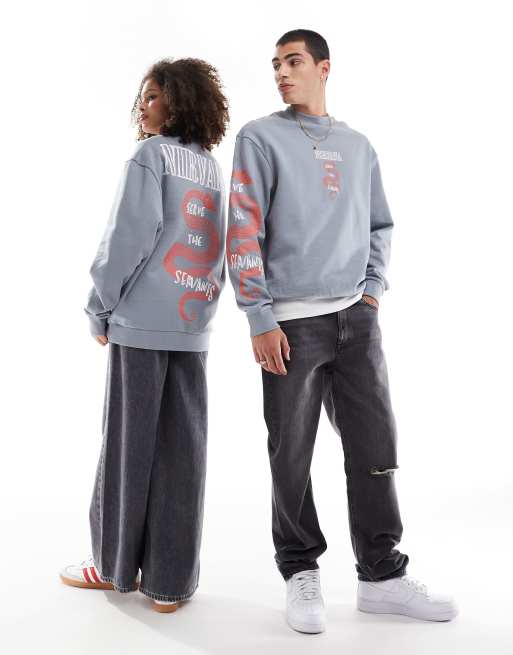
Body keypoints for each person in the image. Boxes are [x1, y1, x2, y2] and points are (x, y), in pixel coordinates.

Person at [226, 29, 457, 632]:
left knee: (375, 447)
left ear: (324, 68)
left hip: (357, 317)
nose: (281, 72)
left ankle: (381, 575)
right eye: (275, 64)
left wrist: (372, 291)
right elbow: (242, 228)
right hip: (290, 323)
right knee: (291, 454)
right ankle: (300, 570)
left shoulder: (357, 146)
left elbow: (380, 224)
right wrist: (259, 316)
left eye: (293, 61)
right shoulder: (259, 137)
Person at [60, 57, 229, 612]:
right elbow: (217, 247)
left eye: (154, 96)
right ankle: (169, 585)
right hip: (191, 324)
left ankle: (113, 568)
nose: (143, 106)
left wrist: (99, 307)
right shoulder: (210, 167)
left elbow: (128, 237)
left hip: (141, 326)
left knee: (127, 451)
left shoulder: (150, 156)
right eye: (142, 97)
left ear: (178, 103)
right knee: (183, 454)